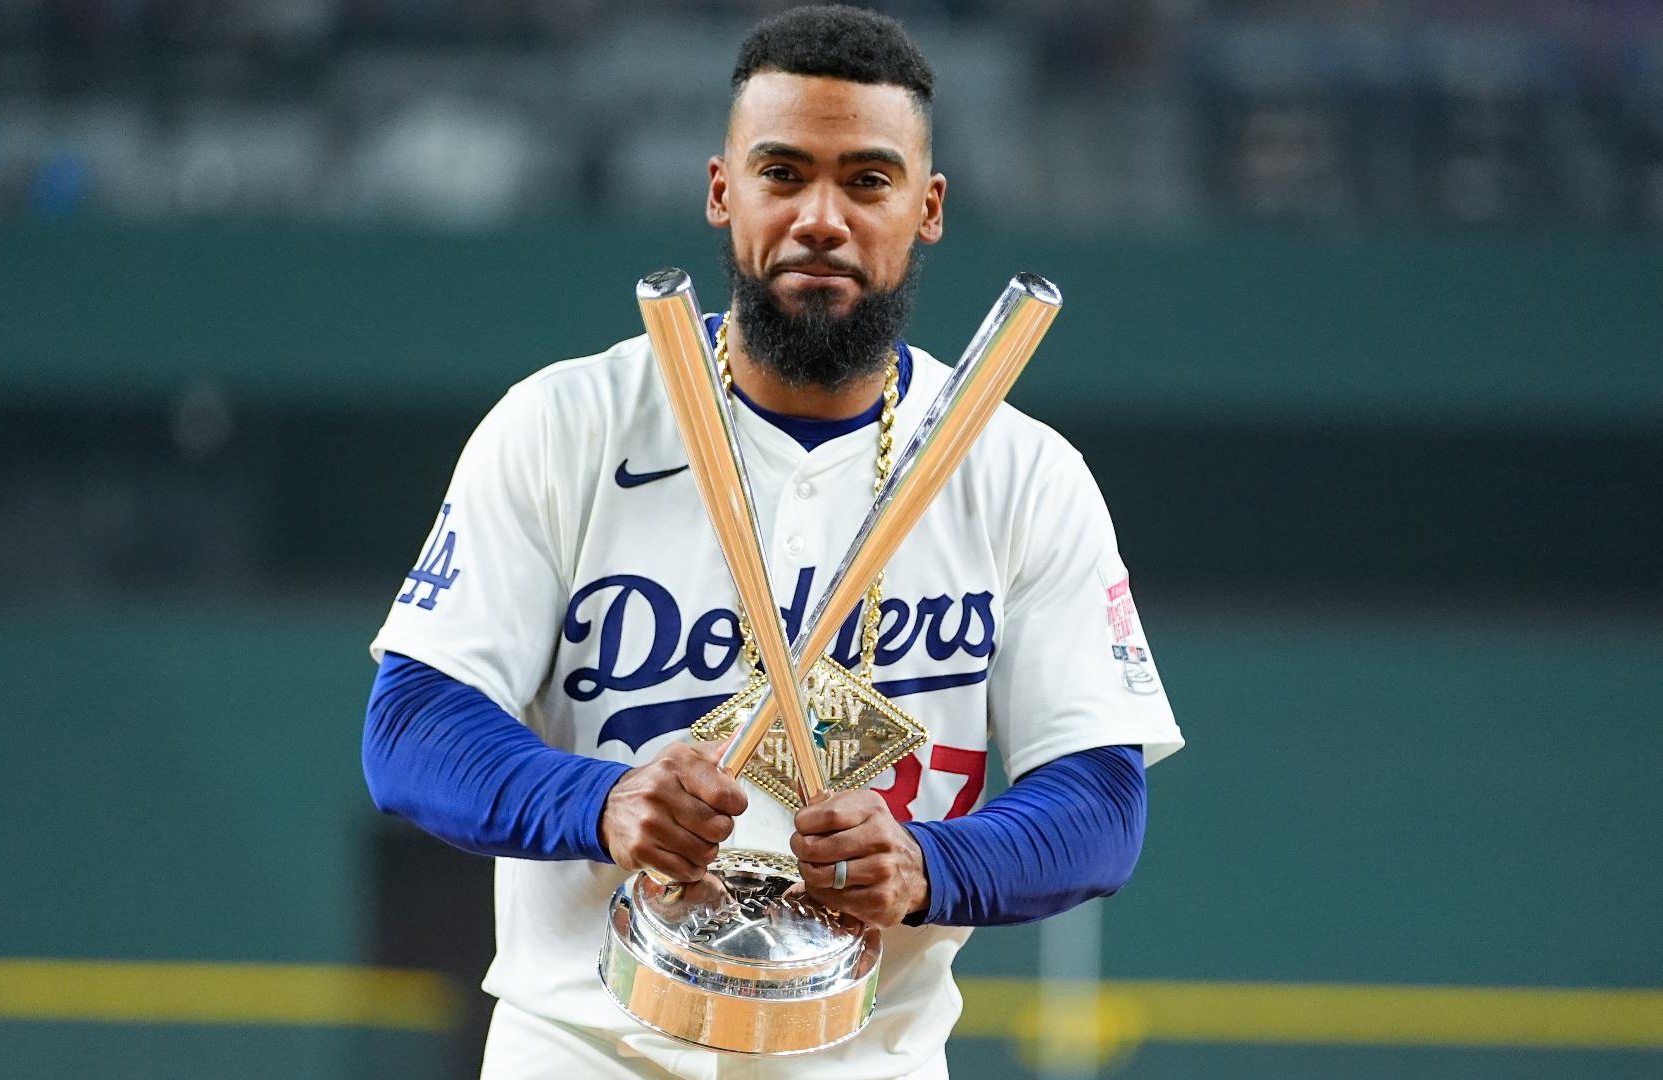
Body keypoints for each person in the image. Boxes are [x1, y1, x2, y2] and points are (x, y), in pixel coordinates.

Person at [363, 6, 1183, 1078]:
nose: (821, 218)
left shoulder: (1022, 474)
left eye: (868, 180)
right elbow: (413, 727)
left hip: (867, 1052)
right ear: (723, 191)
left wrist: (930, 865)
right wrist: (600, 801)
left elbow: (1100, 801)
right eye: (784, 173)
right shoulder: (566, 425)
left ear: (927, 207)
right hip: (585, 1045)